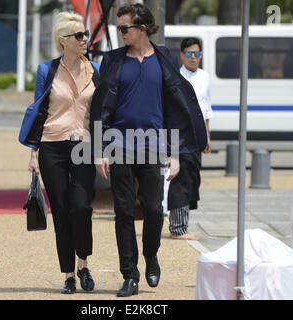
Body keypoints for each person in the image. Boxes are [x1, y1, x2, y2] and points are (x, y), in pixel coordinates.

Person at [90, 4, 207, 297]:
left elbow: (175, 109)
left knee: (154, 209)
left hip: (154, 145)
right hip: (119, 144)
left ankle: (151, 255)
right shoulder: (113, 60)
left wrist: (176, 153)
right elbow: (101, 106)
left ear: (142, 28)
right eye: (118, 28)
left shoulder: (165, 58)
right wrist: (98, 148)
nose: (120, 33)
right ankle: (129, 275)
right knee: (124, 212)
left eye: (124, 28)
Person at [18, 12, 100, 294]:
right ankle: (68, 275)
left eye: (86, 34)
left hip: (84, 146)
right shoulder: (46, 70)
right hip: (52, 146)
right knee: (62, 211)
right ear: (63, 41)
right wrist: (32, 152)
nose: (85, 39)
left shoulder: (96, 69)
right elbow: (38, 110)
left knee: (81, 206)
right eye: (79, 35)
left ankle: (83, 263)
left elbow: (102, 112)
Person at [166, 38, 213, 241]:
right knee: (181, 180)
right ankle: (177, 228)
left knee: (193, 178)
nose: (193, 58)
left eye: (197, 54)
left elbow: (206, 108)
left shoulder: (205, 77)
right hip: (181, 134)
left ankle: (183, 224)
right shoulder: (176, 78)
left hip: (197, 135)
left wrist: (207, 135)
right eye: (189, 54)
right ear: (182, 55)